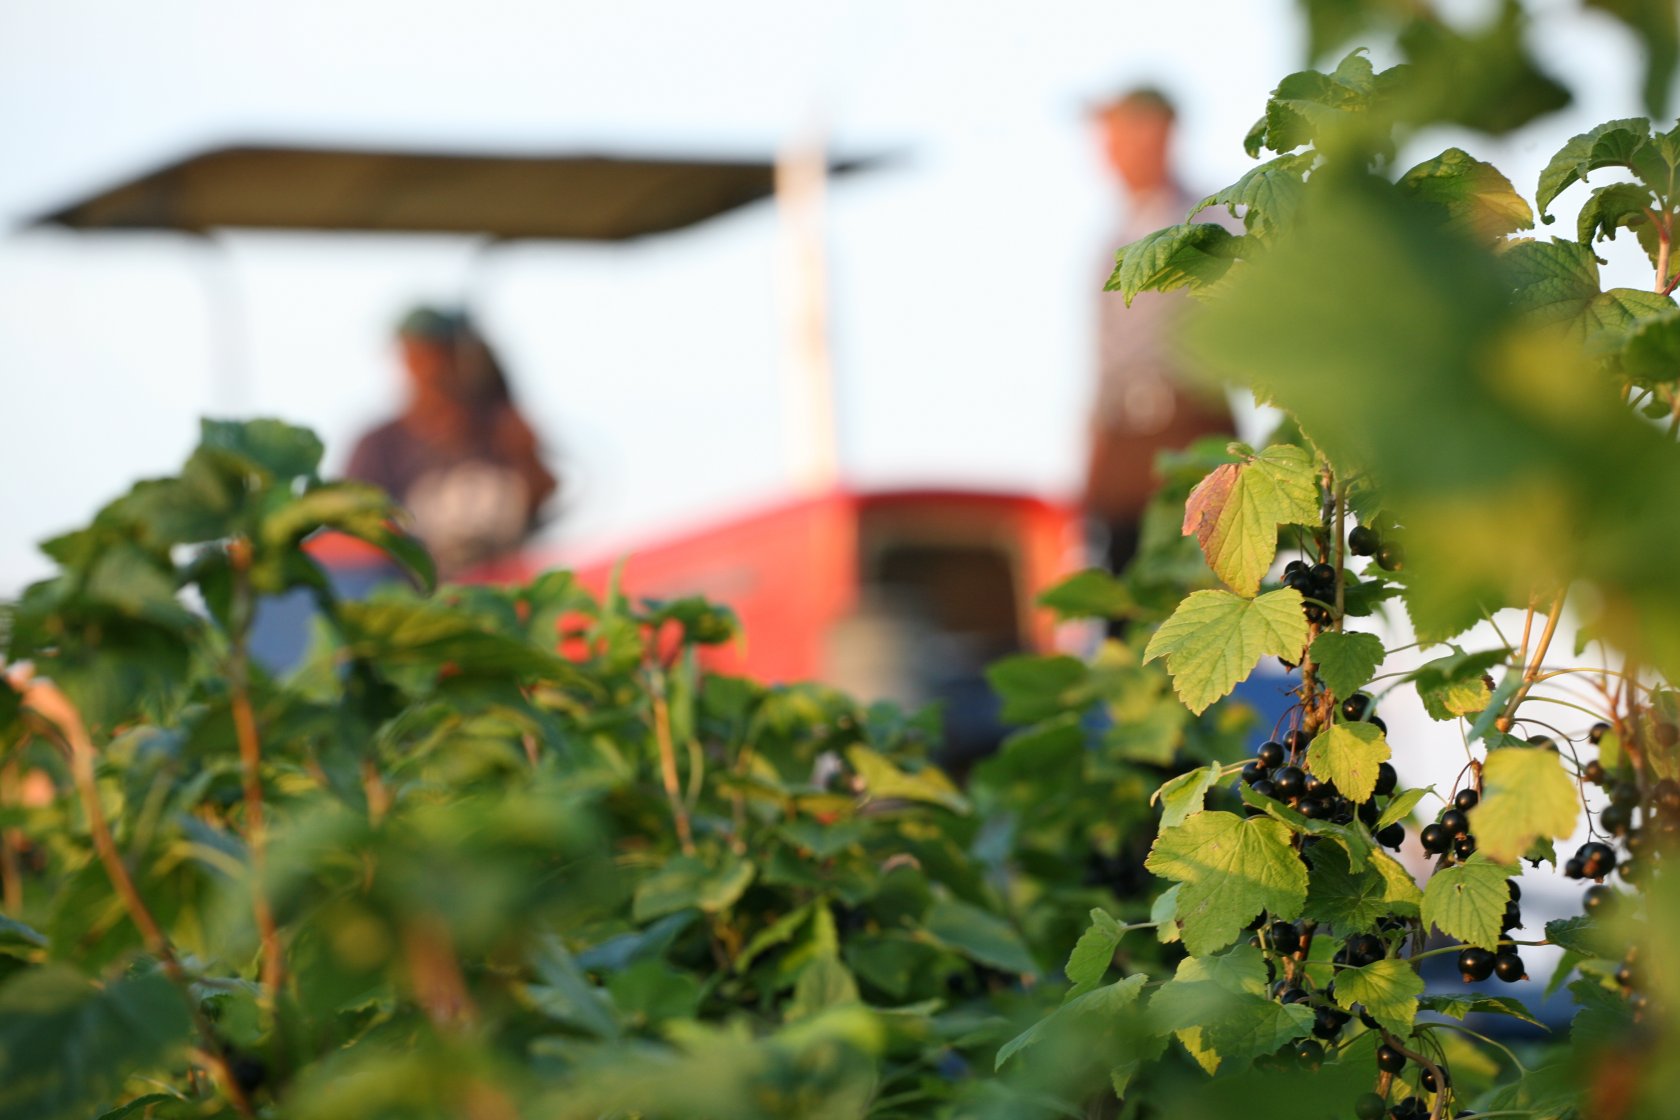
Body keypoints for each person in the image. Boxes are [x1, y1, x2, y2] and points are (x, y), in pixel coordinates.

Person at [1084, 87, 1236, 575]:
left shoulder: (1209, 221)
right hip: (1126, 451)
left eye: (1121, 134)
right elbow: (1105, 364)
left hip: (1191, 431)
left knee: (1199, 587)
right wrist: (1092, 470)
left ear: (1160, 133)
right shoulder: (1113, 242)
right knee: (1126, 593)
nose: (1109, 151)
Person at [348, 307, 558, 578]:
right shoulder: (380, 445)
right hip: (415, 602)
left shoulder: (503, 431)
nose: (429, 370)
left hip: (502, 597)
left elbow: (541, 504)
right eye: (417, 357)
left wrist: (526, 454)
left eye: (437, 356)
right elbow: (354, 531)